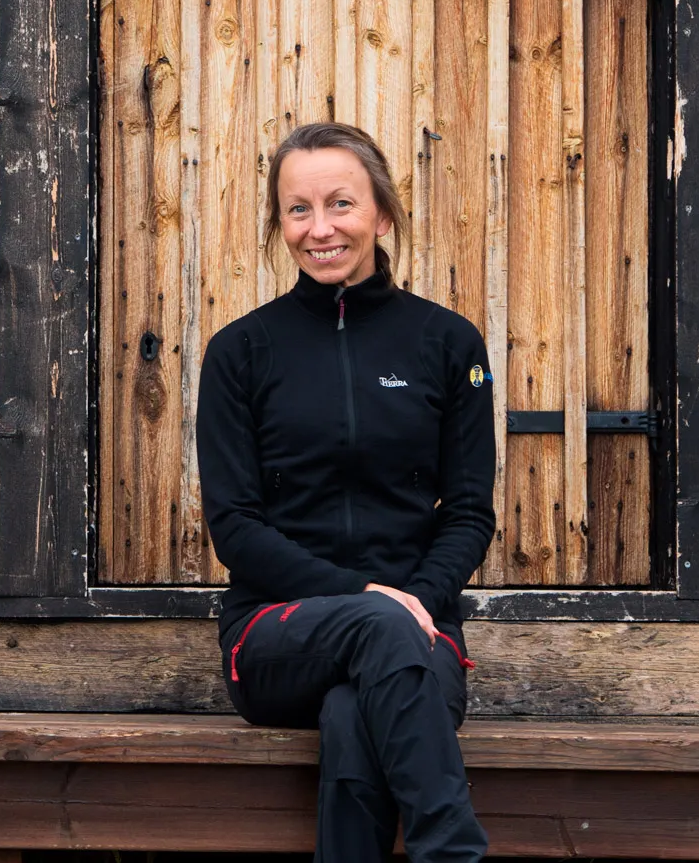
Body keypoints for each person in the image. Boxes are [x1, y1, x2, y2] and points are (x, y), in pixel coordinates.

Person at [196, 120, 495, 863]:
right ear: (281, 224)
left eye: (340, 204)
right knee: (376, 630)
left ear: (382, 215)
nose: (320, 228)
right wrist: (368, 596)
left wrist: (413, 600)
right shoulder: (240, 352)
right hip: (274, 635)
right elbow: (235, 526)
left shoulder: (448, 343)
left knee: (352, 712)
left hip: (420, 634)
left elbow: (467, 512)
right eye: (298, 209)